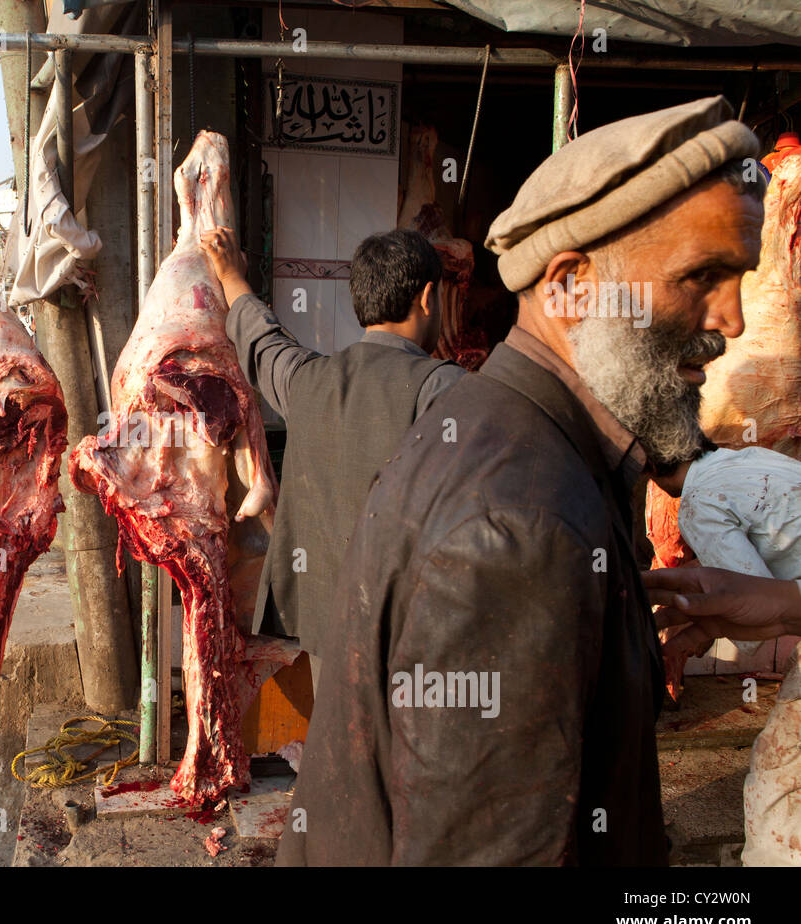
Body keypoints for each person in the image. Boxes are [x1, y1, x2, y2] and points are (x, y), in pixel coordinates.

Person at [278, 96, 764, 866]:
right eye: (701, 275)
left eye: (739, 277)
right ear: (571, 286)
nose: (732, 320)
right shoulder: (522, 531)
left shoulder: (505, 428)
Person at [200, 227, 461, 688]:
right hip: (411, 633)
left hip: (329, 628)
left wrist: (229, 275)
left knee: (344, 749)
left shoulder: (308, 380)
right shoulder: (444, 389)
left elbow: (262, 341)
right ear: (427, 297)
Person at [650, 442, 801, 866]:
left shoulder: (698, 503)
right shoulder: (752, 456)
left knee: (779, 797)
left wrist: (700, 629)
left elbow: (752, 607)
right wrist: (708, 626)